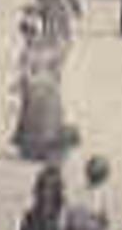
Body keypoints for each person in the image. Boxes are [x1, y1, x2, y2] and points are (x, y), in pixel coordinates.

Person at [11, 11, 80, 161]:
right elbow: (25, 69)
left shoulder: (48, 48)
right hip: (35, 90)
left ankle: (48, 147)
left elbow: (60, 55)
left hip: (48, 89)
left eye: (32, 32)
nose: (29, 37)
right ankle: (33, 148)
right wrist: (21, 82)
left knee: (48, 119)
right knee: (31, 120)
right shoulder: (27, 52)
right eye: (26, 33)